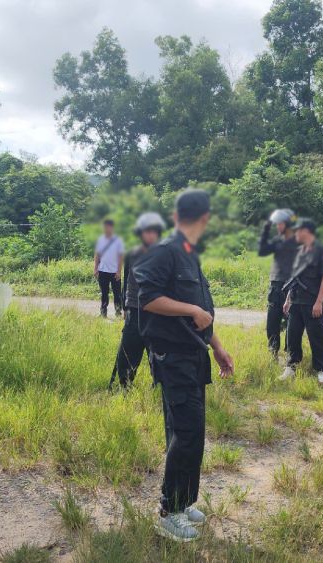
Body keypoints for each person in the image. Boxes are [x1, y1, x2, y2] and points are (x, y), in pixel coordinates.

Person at [134, 188, 234, 542]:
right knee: (187, 432)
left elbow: (203, 312)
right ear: (204, 220)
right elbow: (148, 300)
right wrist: (190, 310)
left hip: (194, 354)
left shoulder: (191, 255)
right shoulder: (163, 252)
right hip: (172, 356)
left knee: (190, 432)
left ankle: (185, 500)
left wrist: (218, 348)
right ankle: (168, 511)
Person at [110, 212, 166, 389]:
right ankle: (124, 385)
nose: (150, 234)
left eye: (153, 231)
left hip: (158, 310)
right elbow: (127, 280)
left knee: (157, 351)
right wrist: (125, 306)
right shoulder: (133, 253)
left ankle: (158, 385)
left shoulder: (165, 253)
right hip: (135, 308)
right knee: (128, 350)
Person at [281, 218, 323, 384]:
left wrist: (319, 302)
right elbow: (293, 278)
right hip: (296, 301)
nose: (295, 233)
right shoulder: (299, 251)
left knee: (317, 337)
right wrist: (288, 299)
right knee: (292, 336)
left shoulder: (322, 250)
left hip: (312, 302)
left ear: (306, 231)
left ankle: (322, 370)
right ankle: (291, 366)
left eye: (297, 230)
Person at [258, 208, 299, 359]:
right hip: (275, 286)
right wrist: (266, 229)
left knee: (291, 324)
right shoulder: (277, 240)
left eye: (280, 224)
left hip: (291, 286)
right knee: (272, 322)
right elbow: (262, 250)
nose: (278, 227)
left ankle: (290, 355)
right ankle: (273, 352)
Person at [94, 219, 125, 318]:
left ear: (112, 228)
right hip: (102, 270)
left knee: (117, 294)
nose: (106, 229)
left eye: (108, 227)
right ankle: (103, 313)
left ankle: (118, 312)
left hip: (114, 271)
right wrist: (95, 268)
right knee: (104, 293)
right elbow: (97, 255)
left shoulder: (118, 240)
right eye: (105, 227)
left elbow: (121, 256)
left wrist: (119, 271)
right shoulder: (100, 240)